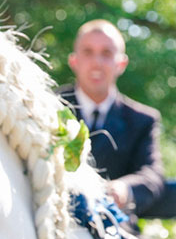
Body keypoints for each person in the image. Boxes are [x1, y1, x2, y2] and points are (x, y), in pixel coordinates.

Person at [58, 19, 164, 215]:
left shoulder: (142, 120)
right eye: (88, 52)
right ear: (74, 61)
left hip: (113, 229)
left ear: (121, 63)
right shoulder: (50, 106)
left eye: (106, 53)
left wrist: (124, 189)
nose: (97, 63)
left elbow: (152, 175)